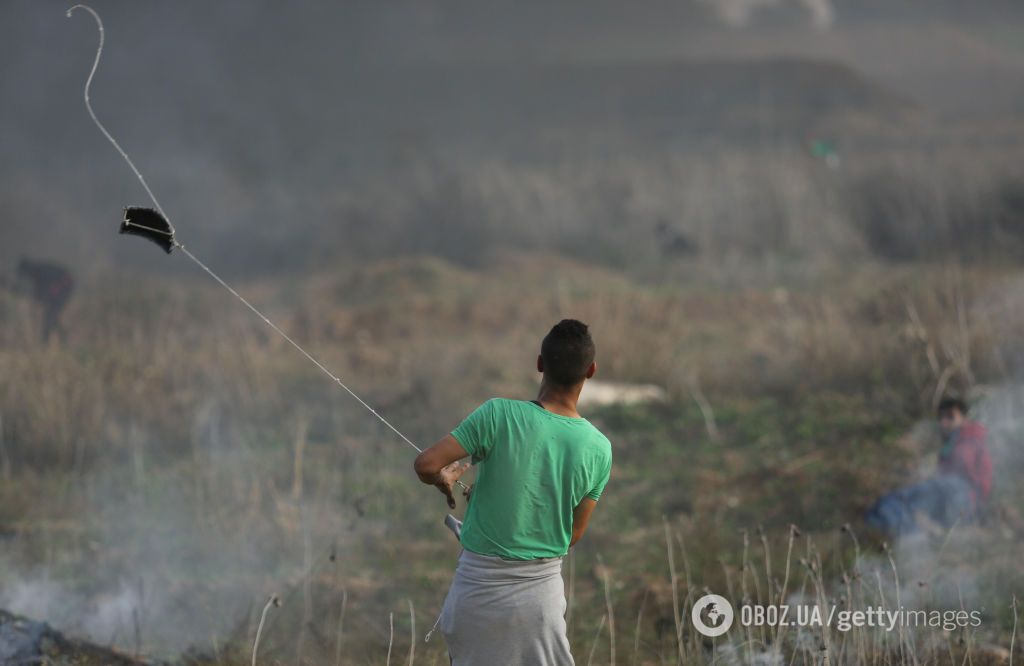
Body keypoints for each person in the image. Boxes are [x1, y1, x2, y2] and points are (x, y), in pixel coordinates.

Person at [414, 319, 612, 666]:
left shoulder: (497, 414)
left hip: (474, 601)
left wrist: (442, 478)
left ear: (539, 363)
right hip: (539, 608)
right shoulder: (599, 448)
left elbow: (427, 465)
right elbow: (570, 536)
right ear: (591, 371)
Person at [865, 397, 992, 538]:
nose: (944, 422)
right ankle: (912, 534)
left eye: (951, 416)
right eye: (941, 417)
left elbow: (962, 467)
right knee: (884, 507)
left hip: (960, 497)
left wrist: (928, 474)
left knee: (891, 504)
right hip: (957, 500)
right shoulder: (956, 442)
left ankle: (912, 538)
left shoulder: (970, 438)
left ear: (965, 419)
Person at [16, 257, 75, 341]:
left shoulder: (41, 271)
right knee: (50, 316)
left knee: (50, 317)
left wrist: (44, 297)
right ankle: (57, 338)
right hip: (60, 293)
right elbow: (41, 293)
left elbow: (44, 290)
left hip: (63, 291)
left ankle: (49, 340)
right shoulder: (38, 273)